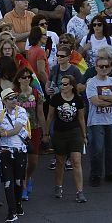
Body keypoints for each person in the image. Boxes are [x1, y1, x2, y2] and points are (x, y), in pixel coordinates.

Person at [44, 74, 87, 203]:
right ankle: (58, 186)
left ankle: (80, 192)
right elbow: (50, 116)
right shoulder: (56, 98)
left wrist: (84, 135)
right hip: (59, 133)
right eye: (61, 84)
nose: (62, 86)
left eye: (65, 84)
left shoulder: (78, 99)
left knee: (76, 161)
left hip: (75, 133)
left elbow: (81, 118)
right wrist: (46, 133)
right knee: (60, 162)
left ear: (72, 86)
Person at [85, 56, 112, 187]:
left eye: (107, 66)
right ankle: (95, 175)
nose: (104, 68)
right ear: (96, 68)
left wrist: (102, 97)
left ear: (110, 68)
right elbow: (96, 102)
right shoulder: (92, 83)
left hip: (111, 120)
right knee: (97, 149)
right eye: (101, 66)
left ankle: (111, 173)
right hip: (96, 121)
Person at [0, 87, 28, 222]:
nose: (14, 100)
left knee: (18, 181)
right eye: (10, 98)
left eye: (15, 97)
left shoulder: (21, 111)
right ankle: (12, 211)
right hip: (4, 151)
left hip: (19, 151)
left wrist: (1, 133)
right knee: (8, 182)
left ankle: (18, 205)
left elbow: (16, 130)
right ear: (4, 101)